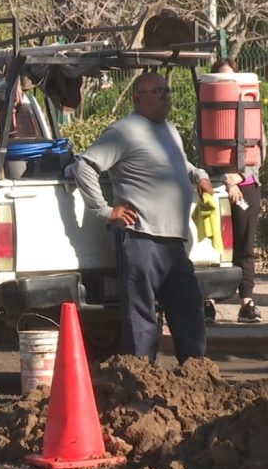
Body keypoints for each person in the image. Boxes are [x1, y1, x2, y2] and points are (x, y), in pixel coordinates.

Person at [72, 71, 214, 363]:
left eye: (168, 91)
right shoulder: (124, 131)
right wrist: (104, 209)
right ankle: (140, 377)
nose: (166, 97)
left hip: (174, 241)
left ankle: (197, 374)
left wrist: (199, 176)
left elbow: (181, 163)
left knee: (189, 308)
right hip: (141, 238)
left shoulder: (170, 130)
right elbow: (84, 165)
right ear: (138, 98)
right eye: (158, 92)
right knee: (141, 317)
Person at [200, 58, 267, 324]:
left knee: (244, 246)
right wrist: (226, 180)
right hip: (214, 188)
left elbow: (259, 151)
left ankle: (247, 303)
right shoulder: (205, 114)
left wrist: (238, 177)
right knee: (213, 249)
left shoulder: (251, 112)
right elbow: (202, 154)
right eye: (222, 79)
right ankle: (208, 302)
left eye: (232, 78)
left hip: (247, 188)